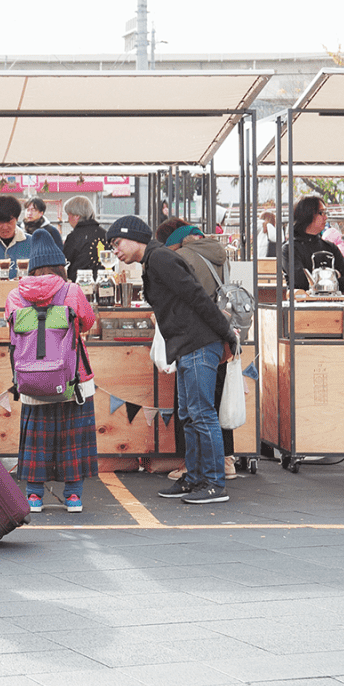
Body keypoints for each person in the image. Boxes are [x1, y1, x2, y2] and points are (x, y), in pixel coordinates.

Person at [106, 214, 236, 505]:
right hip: (188, 345)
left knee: (201, 414)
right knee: (189, 415)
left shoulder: (161, 259)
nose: (115, 250)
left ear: (135, 237)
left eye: (117, 243)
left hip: (199, 342)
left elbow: (197, 296)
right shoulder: (154, 261)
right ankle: (194, 478)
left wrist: (225, 332)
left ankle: (214, 483)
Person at [7, 227, 96, 514]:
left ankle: (34, 497)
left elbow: (12, 336)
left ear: (31, 268)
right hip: (73, 378)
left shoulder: (14, 296)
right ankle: (73, 497)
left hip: (31, 378)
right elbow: (88, 322)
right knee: (73, 438)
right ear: (61, 266)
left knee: (37, 438)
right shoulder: (73, 291)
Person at [154, 218, 237, 481]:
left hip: (195, 336)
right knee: (214, 401)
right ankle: (224, 462)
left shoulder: (183, 258)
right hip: (221, 332)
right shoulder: (218, 253)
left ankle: (202, 474)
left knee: (195, 410)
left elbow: (184, 298)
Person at [283, 195, 344, 294]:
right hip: (302, 306)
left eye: (326, 213)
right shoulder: (290, 248)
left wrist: (316, 279)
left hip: (332, 306)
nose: (326, 217)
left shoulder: (330, 247)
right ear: (306, 214)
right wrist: (334, 275)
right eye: (321, 213)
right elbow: (301, 283)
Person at [61, 195, 108, 282]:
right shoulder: (104, 234)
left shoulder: (74, 237)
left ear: (77, 216)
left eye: (69, 215)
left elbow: (65, 262)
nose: (68, 219)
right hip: (104, 283)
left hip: (79, 285)